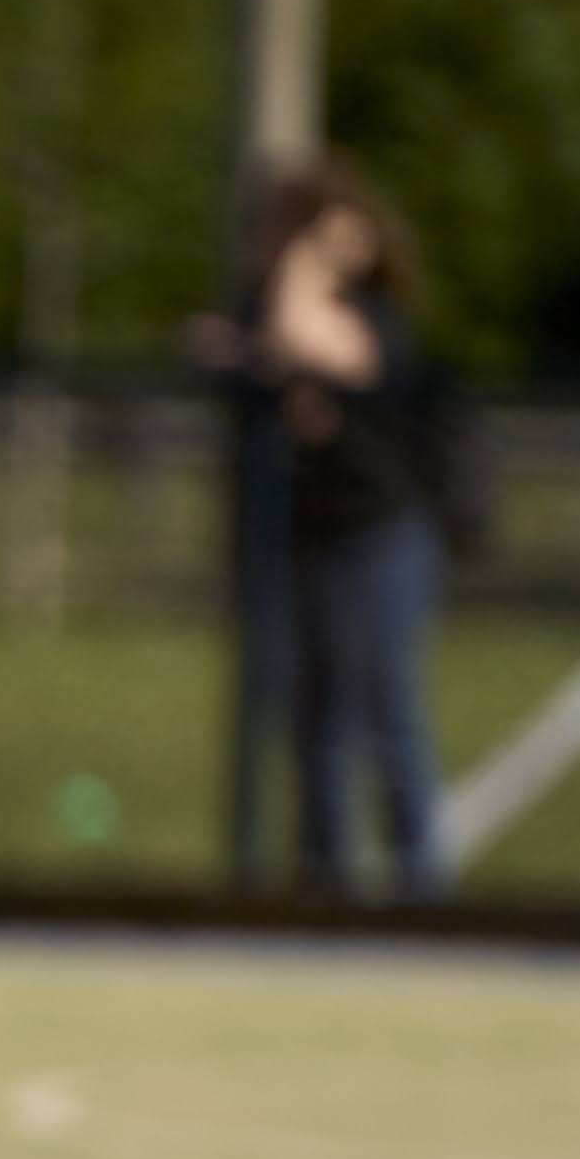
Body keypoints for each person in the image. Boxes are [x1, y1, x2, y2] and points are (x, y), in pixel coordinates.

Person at [201, 157, 468, 902]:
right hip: (303, 541)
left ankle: (422, 890)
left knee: (390, 716)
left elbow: (307, 341)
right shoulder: (263, 311)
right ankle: (326, 890)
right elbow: (231, 357)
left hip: (378, 537)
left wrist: (310, 262)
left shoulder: (371, 315)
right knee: (315, 724)